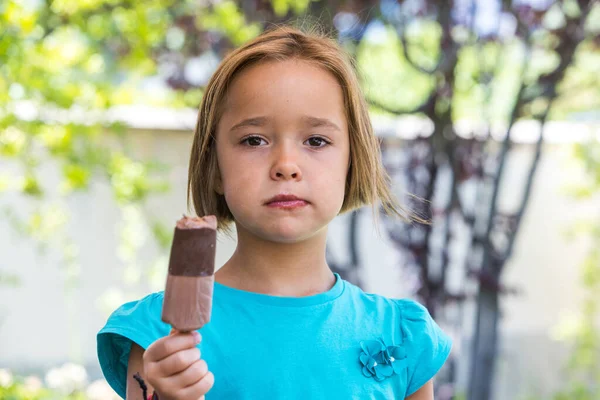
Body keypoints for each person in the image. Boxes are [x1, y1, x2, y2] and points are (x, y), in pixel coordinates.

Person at [97, 24, 452, 400]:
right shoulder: (159, 335)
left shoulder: (402, 336)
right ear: (215, 168)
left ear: (353, 163)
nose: (286, 164)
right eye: (254, 140)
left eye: (316, 140)